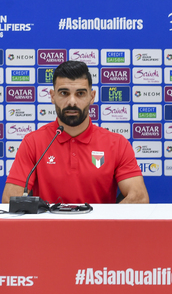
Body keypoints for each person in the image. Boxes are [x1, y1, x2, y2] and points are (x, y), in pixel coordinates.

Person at [2, 60, 149, 204]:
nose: (72, 102)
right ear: (53, 96)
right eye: (64, 93)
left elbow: (139, 198)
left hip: (98, 228)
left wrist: (103, 226)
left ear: (92, 97)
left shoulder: (117, 144)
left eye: (80, 94)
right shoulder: (33, 142)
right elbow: (10, 200)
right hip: (49, 228)